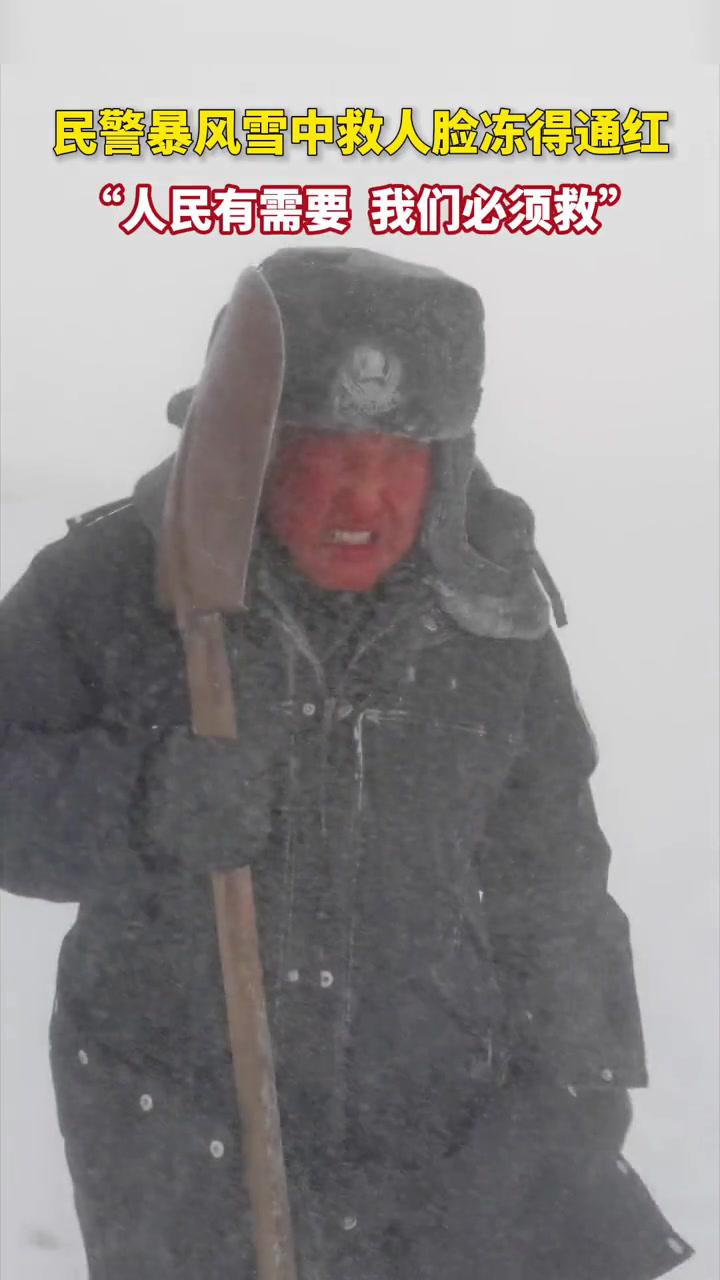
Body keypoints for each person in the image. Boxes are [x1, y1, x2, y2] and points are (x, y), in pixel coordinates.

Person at [0, 247, 692, 1279]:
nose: (359, 494)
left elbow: (554, 870)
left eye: (399, 454)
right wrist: (142, 800)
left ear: (449, 458)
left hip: (435, 1126)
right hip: (179, 1126)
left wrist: (576, 1088)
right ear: (253, 443)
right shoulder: (116, 583)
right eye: (323, 449)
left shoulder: (488, 615)